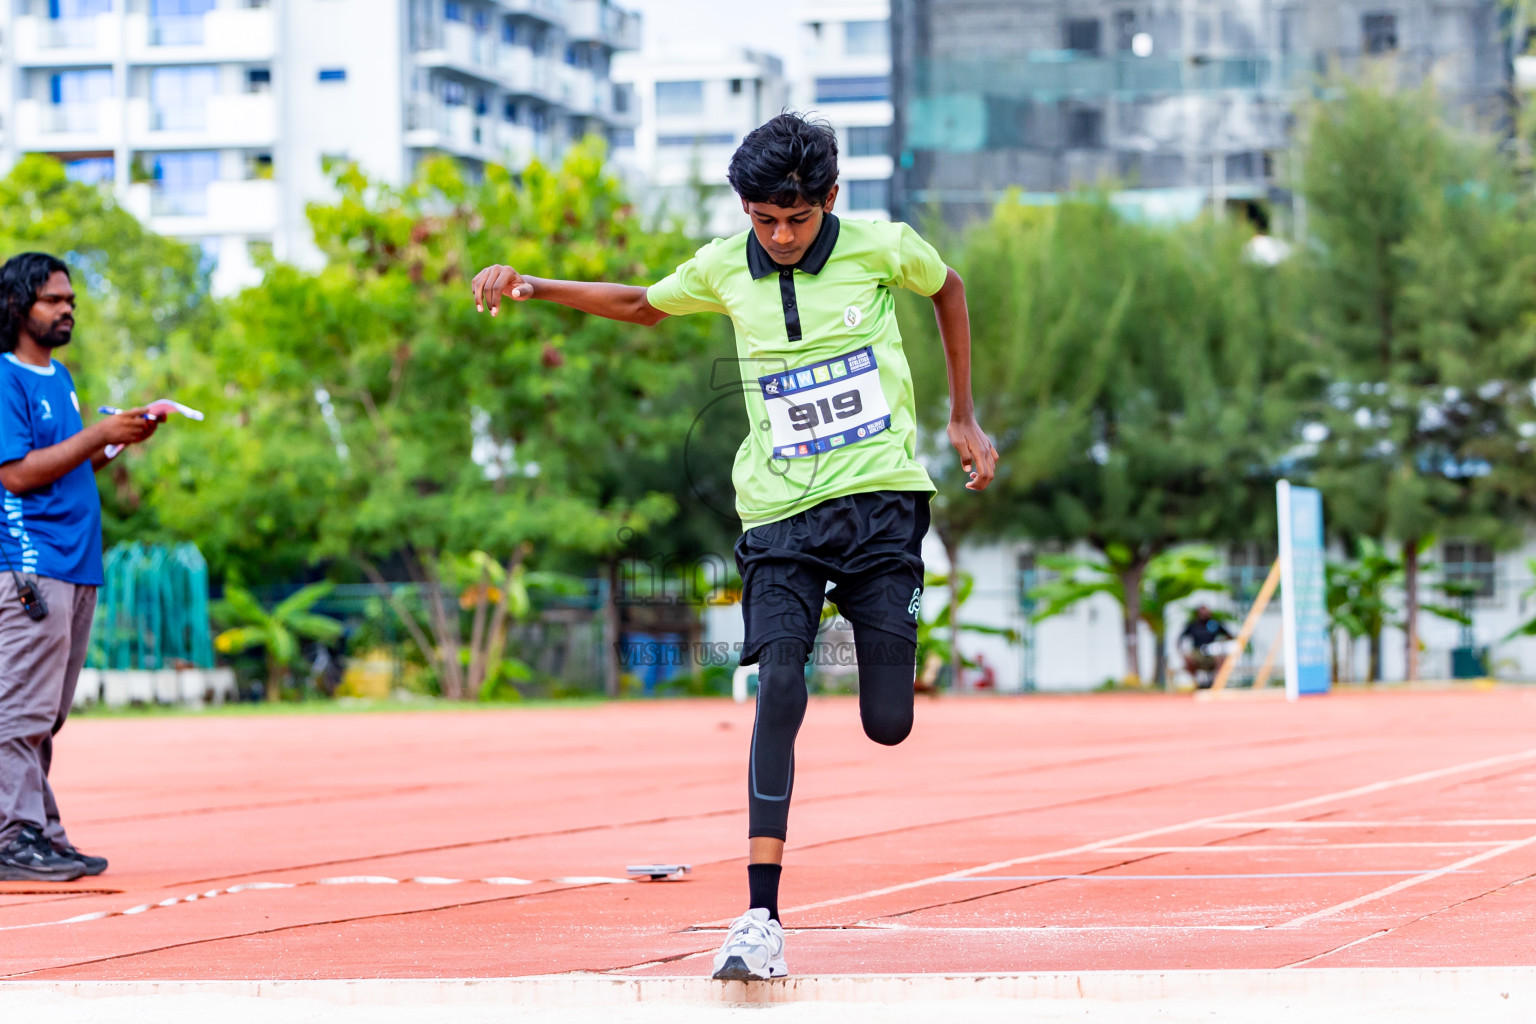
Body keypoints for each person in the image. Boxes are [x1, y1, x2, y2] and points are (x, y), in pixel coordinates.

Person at [471, 113, 996, 981]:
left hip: (880, 507)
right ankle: (760, 914)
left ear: (830, 198)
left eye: (796, 219)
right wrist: (535, 284)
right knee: (778, 683)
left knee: (889, 724)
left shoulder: (879, 246)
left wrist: (962, 414)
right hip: (779, 514)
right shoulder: (724, 264)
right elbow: (641, 306)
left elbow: (950, 288)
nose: (781, 238)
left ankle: (880, 634)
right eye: (764, 221)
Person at [0, 253, 161, 882]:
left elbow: (63, 464)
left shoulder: (58, 375)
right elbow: (16, 473)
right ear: (17, 307)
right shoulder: (5, 379)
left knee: (50, 711)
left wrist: (116, 440)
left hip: (76, 562)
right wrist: (98, 436)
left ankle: (42, 832)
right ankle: (14, 837)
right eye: (53, 300)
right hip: (29, 564)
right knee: (22, 709)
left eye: (71, 300)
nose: (67, 309)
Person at [1180, 604, 1233, 688]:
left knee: (1221, 658)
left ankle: (1215, 682)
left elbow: (1229, 636)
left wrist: (1221, 643)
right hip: (1197, 651)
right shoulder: (1193, 625)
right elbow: (1181, 639)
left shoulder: (1214, 624)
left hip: (1211, 651)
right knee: (1188, 659)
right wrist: (1182, 653)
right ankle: (1197, 681)